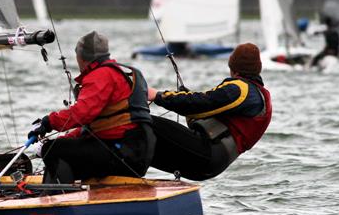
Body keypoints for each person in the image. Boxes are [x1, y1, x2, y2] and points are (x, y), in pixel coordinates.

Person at [28, 31, 154, 184]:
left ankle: (57, 197)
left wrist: (48, 123)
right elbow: (88, 128)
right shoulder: (116, 71)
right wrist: (58, 138)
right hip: (134, 152)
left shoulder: (101, 75)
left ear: (81, 57)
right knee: (57, 146)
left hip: (124, 154)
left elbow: (82, 113)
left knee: (54, 150)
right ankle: (72, 189)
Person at [147, 42, 272, 181]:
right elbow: (204, 108)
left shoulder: (240, 90)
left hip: (207, 154)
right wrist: (187, 97)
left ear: (233, 69)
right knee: (146, 146)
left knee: (142, 121)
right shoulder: (258, 95)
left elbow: (201, 104)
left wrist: (157, 96)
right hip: (209, 163)